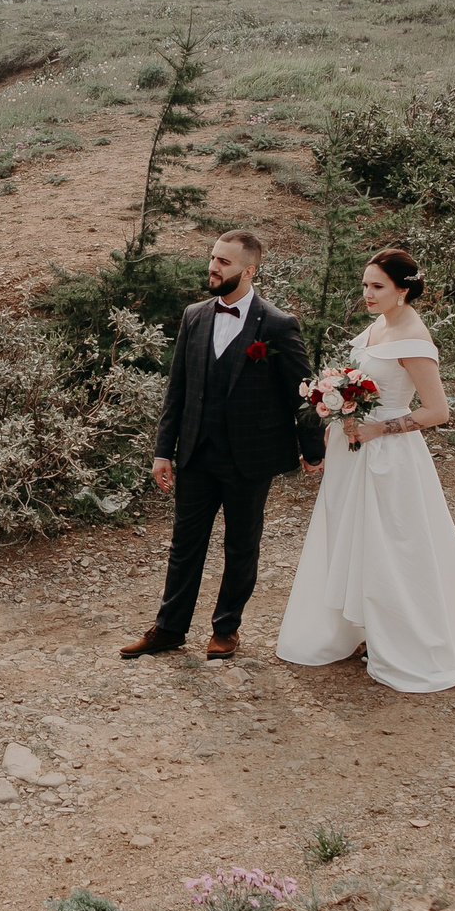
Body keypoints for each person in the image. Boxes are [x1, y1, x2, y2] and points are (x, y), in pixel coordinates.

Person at [274, 248, 455, 692]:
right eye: (365, 285)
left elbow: (437, 411)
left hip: (388, 457)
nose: (367, 294)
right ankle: (354, 628)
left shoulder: (414, 338)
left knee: (390, 545)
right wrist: (334, 406)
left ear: (403, 289)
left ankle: (399, 635)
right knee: (348, 536)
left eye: (378, 287)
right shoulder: (379, 324)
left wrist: (379, 428)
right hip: (351, 451)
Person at [121, 230, 323, 663]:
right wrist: (162, 451)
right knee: (184, 544)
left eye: (224, 262)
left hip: (250, 458)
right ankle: (170, 628)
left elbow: (301, 392)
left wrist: (313, 449)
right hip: (195, 451)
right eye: (213, 258)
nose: (213, 267)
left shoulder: (277, 324)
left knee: (241, 543)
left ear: (248, 271)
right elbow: (177, 390)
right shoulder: (194, 315)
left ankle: (226, 628)